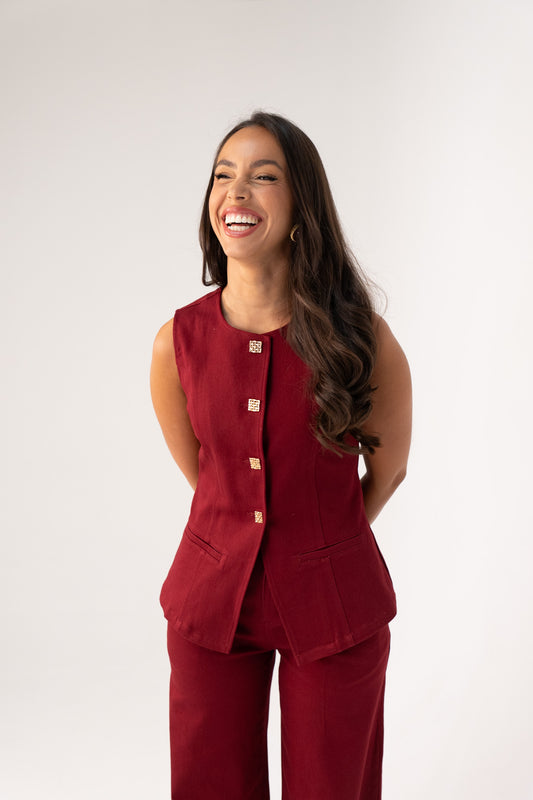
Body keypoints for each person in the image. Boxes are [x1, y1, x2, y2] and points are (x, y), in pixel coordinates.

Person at [150, 111, 412, 800]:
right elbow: (203, 473)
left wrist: (322, 541)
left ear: (301, 207)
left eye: (263, 177)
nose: (236, 192)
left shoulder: (362, 339)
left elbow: (389, 468)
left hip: (335, 605)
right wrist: (241, 531)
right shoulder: (176, 342)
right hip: (211, 599)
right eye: (223, 176)